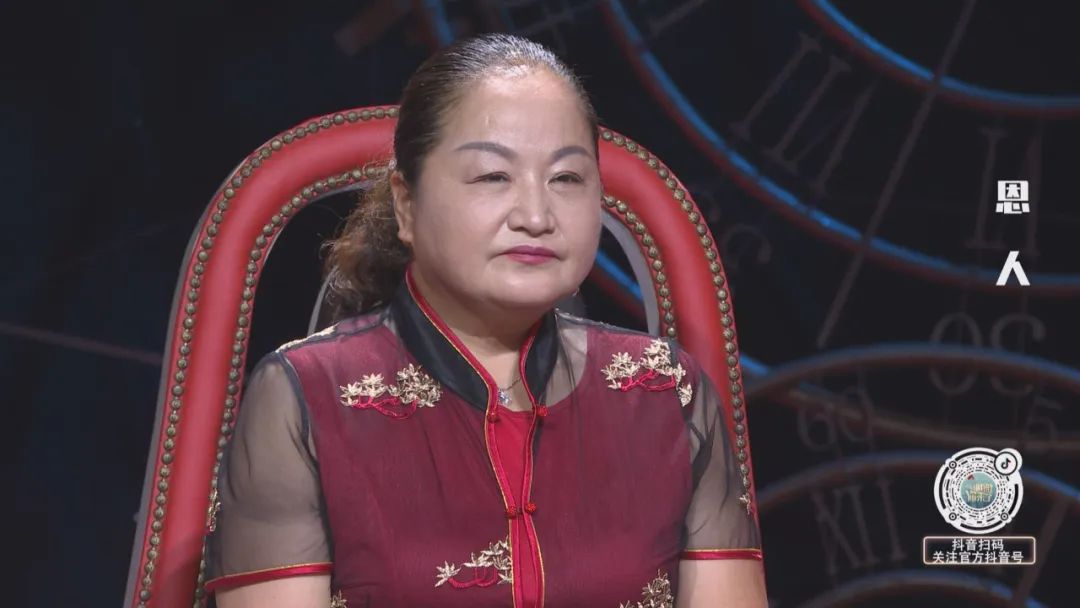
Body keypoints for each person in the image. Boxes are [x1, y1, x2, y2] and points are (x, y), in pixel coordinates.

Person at [205, 33, 765, 608]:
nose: (536, 215)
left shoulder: (665, 390)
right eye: (493, 176)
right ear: (406, 204)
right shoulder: (304, 397)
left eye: (567, 178)